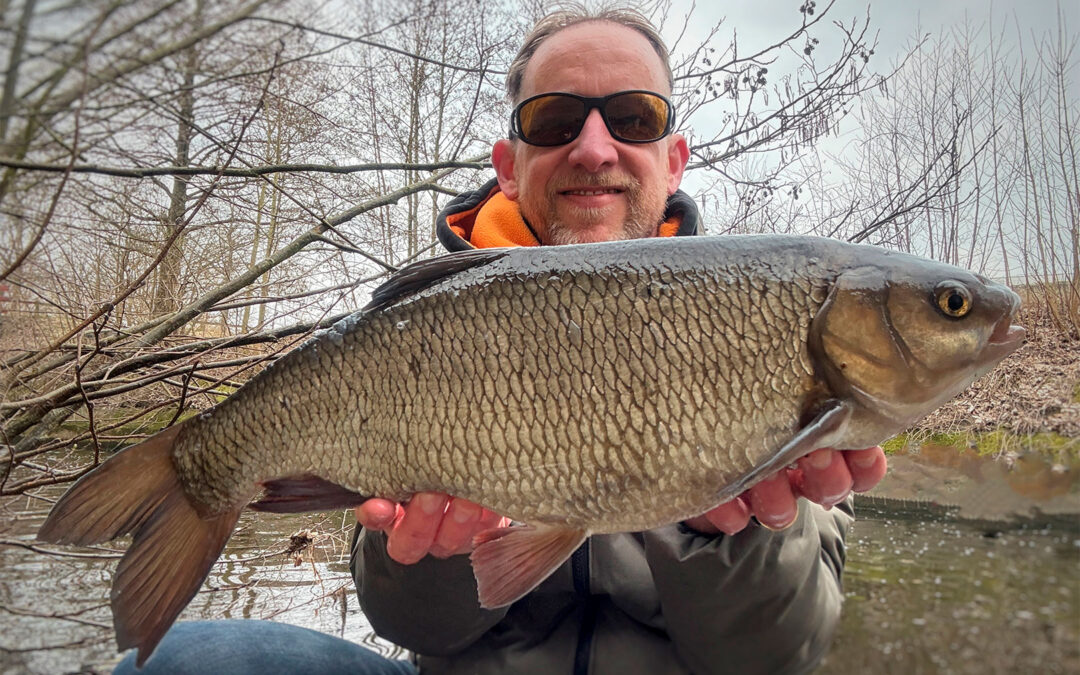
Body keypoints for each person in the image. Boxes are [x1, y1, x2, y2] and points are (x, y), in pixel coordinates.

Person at [115, 6, 886, 675]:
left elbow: (776, 656)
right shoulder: (424, 329)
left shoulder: (769, 323)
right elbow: (412, 627)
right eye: (555, 120)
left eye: (634, 118)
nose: (593, 148)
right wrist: (435, 557)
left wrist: (737, 536)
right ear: (509, 166)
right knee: (179, 662)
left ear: (672, 157)